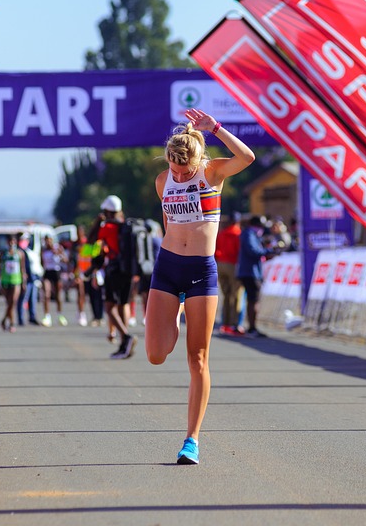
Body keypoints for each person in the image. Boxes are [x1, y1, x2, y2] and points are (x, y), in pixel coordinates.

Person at [145, 108, 255, 465]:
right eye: (174, 169)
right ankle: (176, 310)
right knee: (155, 355)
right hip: (168, 268)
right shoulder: (163, 181)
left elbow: (247, 158)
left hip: (201, 272)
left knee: (198, 358)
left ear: (197, 160)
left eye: (185, 170)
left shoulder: (212, 172)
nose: (178, 175)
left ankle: (191, 439)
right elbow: (169, 224)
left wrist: (217, 128)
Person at [88, 195, 138, 359]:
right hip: (128, 270)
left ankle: (126, 336)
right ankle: (124, 345)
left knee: (109, 307)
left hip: (114, 270)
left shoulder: (108, 227)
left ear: (107, 211)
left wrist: (97, 222)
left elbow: (91, 241)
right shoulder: (126, 225)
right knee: (123, 303)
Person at [237, 215, 274, 338]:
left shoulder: (250, 234)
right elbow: (253, 251)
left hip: (250, 271)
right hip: (250, 272)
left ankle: (252, 327)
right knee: (253, 300)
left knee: (252, 300)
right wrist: (269, 251)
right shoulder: (249, 234)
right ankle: (252, 328)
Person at [215, 211, 243, 335]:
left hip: (221, 264)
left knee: (226, 295)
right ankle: (234, 324)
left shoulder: (222, 233)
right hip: (233, 264)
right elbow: (239, 251)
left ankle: (225, 323)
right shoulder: (238, 233)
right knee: (236, 295)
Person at [0, 234, 26, 332]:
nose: (11, 243)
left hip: (16, 280)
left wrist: (24, 282)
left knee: (13, 301)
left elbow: (22, 268)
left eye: (13, 241)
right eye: (10, 241)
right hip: (5, 280)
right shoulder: (3, 253)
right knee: (9, 303)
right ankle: (8, 321)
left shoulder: (20, 253)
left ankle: (9, 322)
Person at [41, 235, 69, 327]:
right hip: (47, 272)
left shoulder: (58, 248)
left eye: (49, 241)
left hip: (56, 272)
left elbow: (65, 260)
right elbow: (42, 262)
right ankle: (47, 316)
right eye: (46, 241)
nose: (48, 243)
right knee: (46, 294)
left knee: (58, 295)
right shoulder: (43, 250)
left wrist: (59, 254)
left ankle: (60, 315)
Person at [17, 232, 41, 326]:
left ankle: (32, 317)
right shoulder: (19, 252)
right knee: (23, 299)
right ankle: (21, 319)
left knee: (32, 299)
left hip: (33, 277)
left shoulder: (29, 251)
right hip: (25, 279)